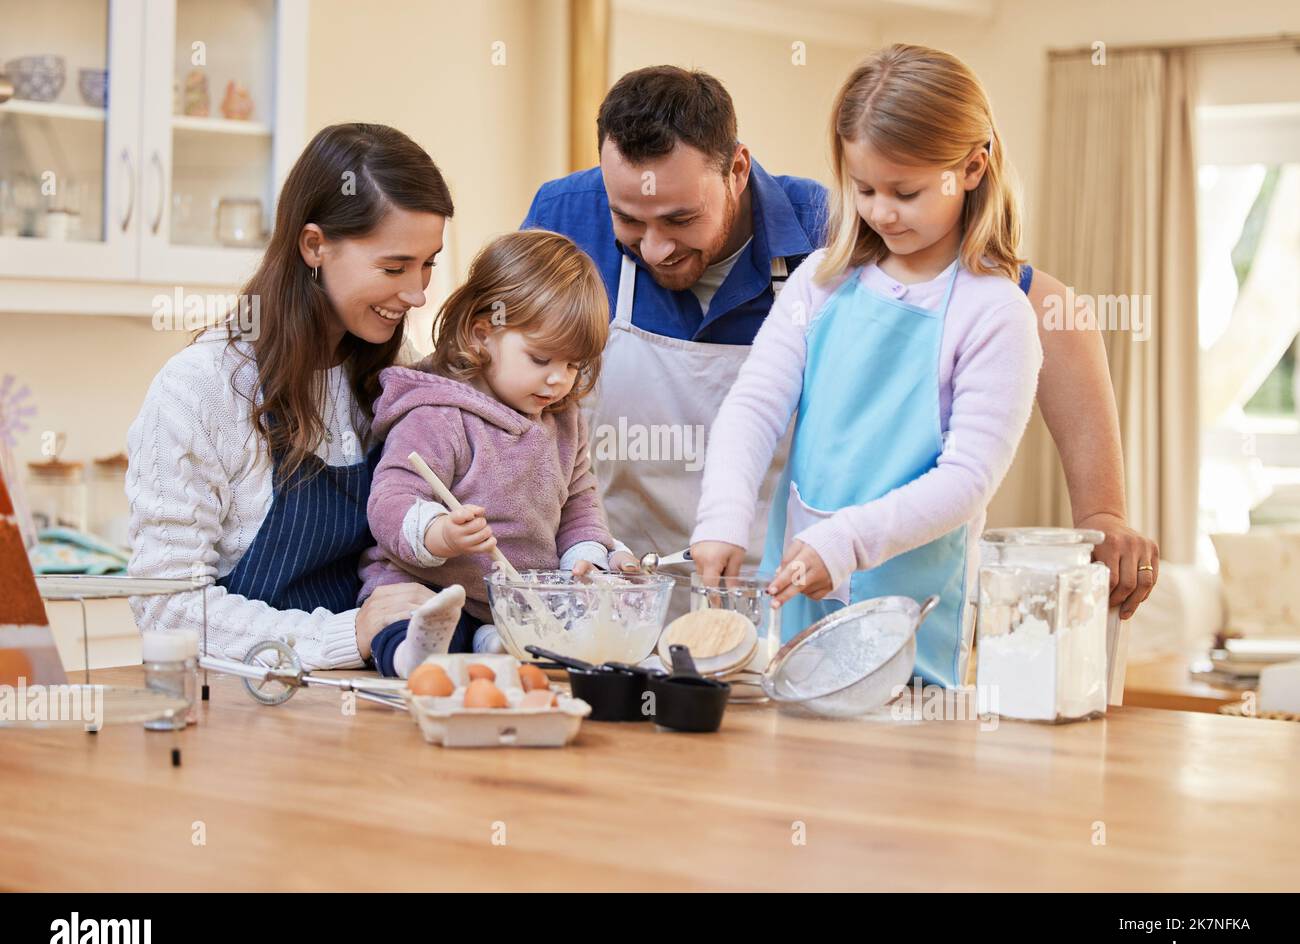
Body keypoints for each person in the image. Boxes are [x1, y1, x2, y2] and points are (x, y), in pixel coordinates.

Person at [524, 65, 1159, 620]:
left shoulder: (829, 235)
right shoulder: (565, 214)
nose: (656, 245)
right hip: (617, 587)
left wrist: (1101, 510)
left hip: (780, 586)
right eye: (629, 222)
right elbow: (494, 366)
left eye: (681, 219)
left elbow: (1048, 309)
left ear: (737, 169)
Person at [692, 43, 1041, 686]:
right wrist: (721, 518)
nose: (880, 212)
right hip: (799, 604)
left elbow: (967, 480)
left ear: (972, 167)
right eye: (865, 189)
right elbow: (753, 406)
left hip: (910, 620)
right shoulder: (821, 285)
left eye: (905, 192)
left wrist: (847, 541)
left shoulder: (995, 313)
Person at [126, 123, 450, 668]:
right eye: (394, 267)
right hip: (248, 716)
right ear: (314, 245)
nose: (417, 293)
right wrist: (349, 635)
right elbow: (167, 607)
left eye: (428, 264)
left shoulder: (396, 371)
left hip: (373, 700)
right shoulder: (200, 389)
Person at [357, 230, 634, 678]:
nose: (558, 381)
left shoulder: (564, 421)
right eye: (541, 359)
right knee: (407, 621)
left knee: (587, 636)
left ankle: (491, 642)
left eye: (573, 365)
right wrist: (439, 533)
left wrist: (586, 557)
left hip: (513, 602)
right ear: (482, 334)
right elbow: (389, 501)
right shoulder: (439, 413)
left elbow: (580, 505)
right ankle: (414, 658)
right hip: (424, 589)